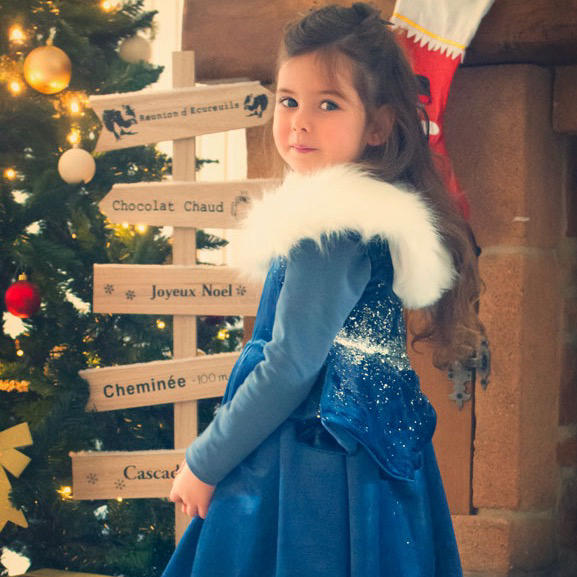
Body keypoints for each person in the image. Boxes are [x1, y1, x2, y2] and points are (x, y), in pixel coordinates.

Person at [162, 3, 486, 576]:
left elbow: (288, 367)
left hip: (310, 469)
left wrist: (206, 461)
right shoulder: (369, 218)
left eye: (328, 104)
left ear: (378, 125)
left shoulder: (328, 228)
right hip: (365, 460)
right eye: (288, 101)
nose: (299, 122)